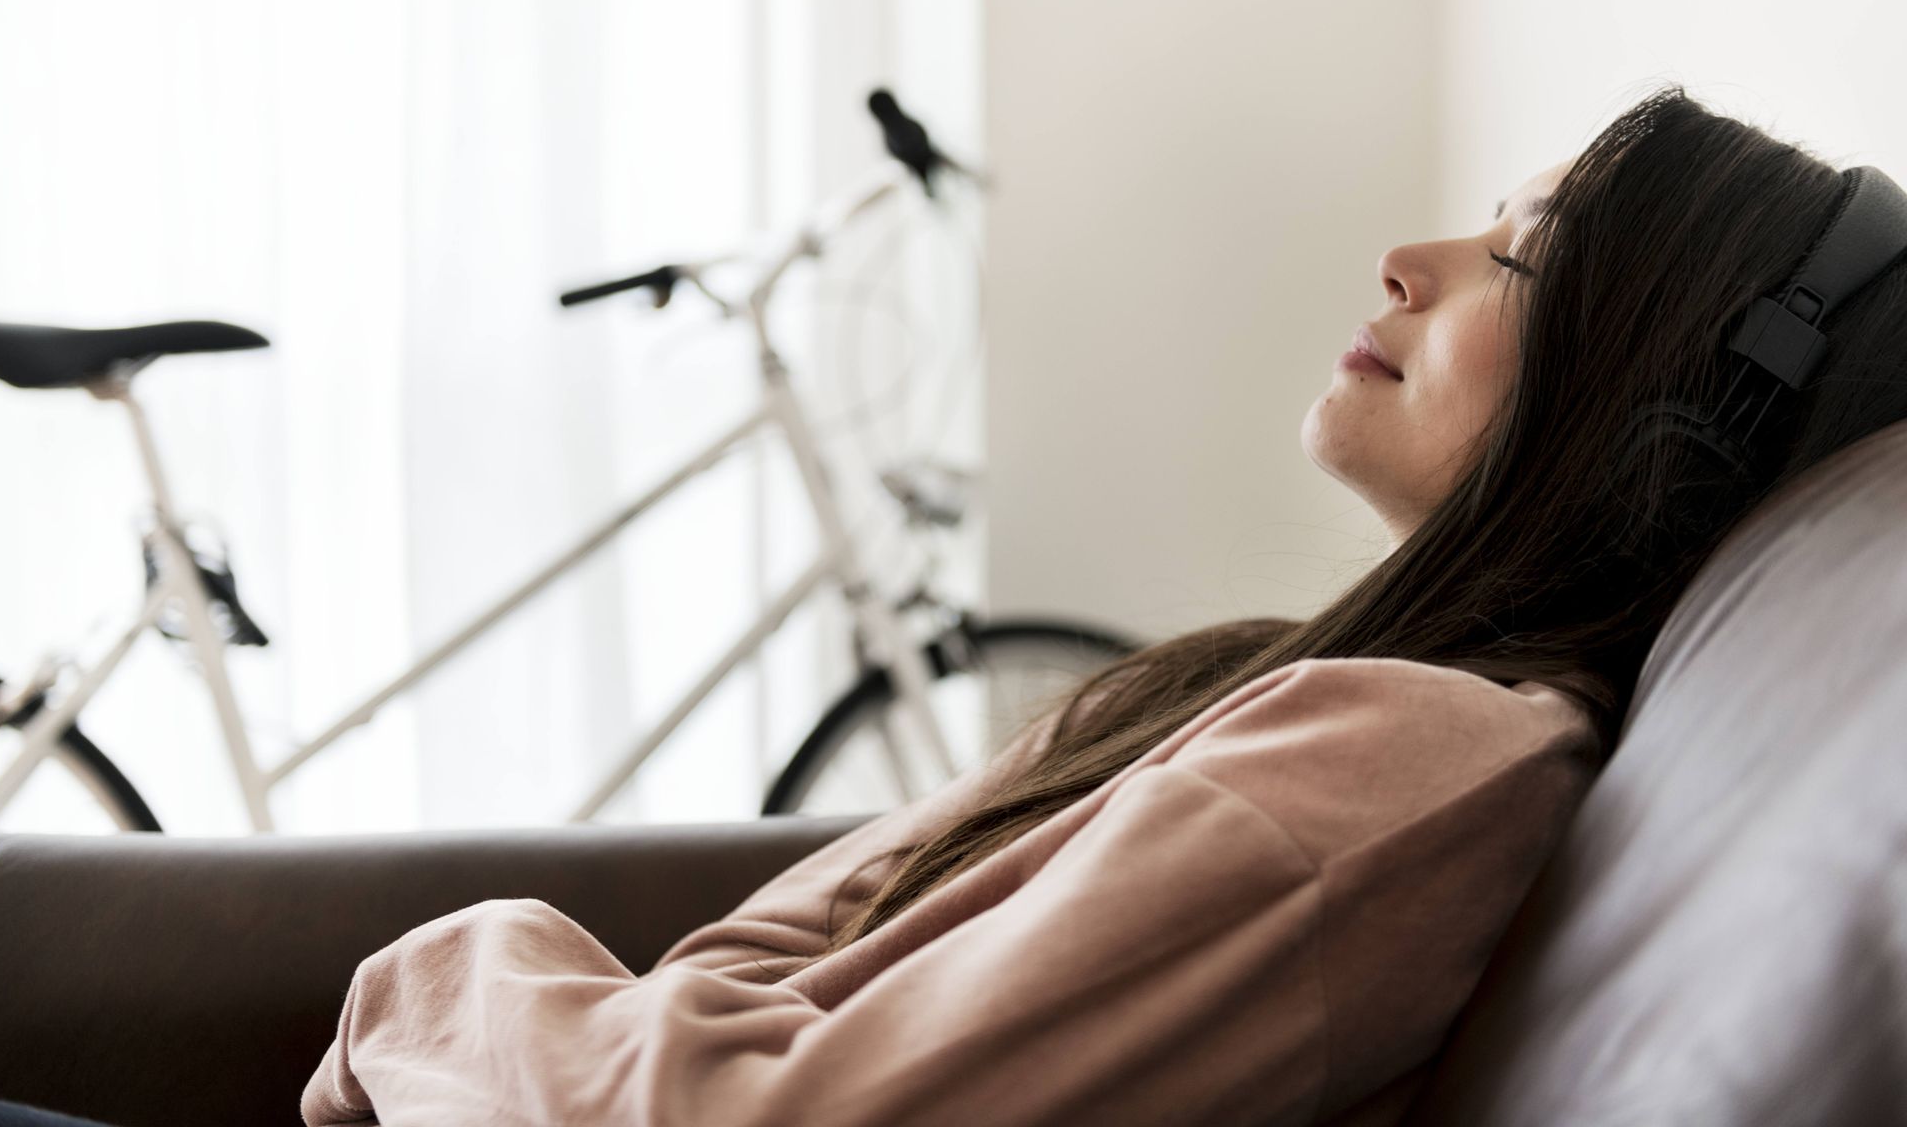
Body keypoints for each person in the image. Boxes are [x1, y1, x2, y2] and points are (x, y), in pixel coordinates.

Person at [300, 85, 1907, 1127]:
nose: (1409, 260)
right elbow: (736, 975)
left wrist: (439, 976)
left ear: (1666, 424)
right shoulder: (1252, 684)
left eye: (1525, 259)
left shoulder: (1404, 756)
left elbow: (716, 1107)